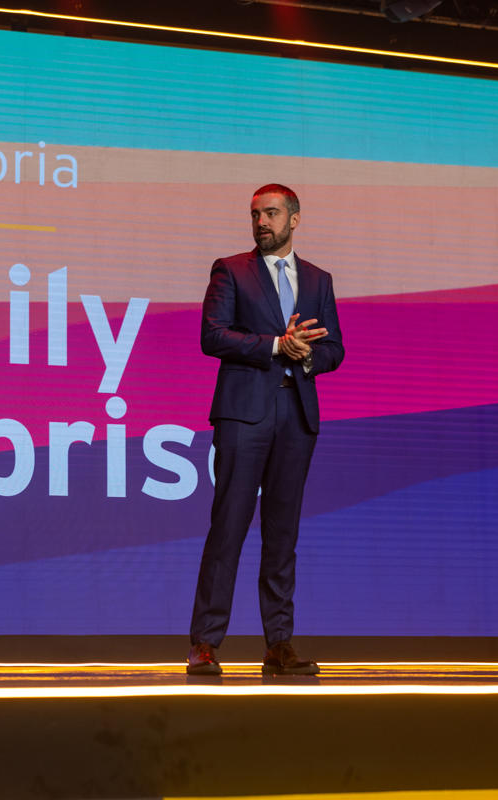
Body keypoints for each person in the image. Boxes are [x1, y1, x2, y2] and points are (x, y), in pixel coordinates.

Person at [187, 184, 344, 676]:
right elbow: (213, 335)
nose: (261, 222)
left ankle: (279, 645)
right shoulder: (231, 270)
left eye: (271, 213)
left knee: (282, 534)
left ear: (294, 219)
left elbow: (335, 349)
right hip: (243, 414)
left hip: (296, 415)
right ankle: (205, 643)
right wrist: (277, 345)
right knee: (228, 527)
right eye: (255, 214)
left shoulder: (318, 279)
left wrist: (308, 354)